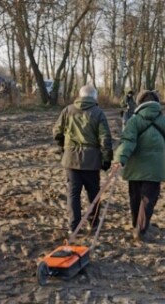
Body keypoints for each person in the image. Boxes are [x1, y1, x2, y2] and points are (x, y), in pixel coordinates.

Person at [112, 90, 165, 241]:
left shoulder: (134, 121)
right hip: (154, 167)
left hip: (134, 166)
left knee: (135, 196)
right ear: (156, 102)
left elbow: (127, 141)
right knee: (148, 199)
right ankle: (141, 230)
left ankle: (135, 224)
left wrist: (120, 159)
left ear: (140, 103)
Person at [53, 85, 113, 234]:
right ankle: (93, 223)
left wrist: (63, 147)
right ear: (94, 97)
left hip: (71, 159)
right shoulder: (98, 113)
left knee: (73, 194)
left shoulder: (68, 110)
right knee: (93, 193)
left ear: (80, 96)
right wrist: (107, 159)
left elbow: (56, 132)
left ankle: (74, 226)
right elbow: (105, 138)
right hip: (91, 160)